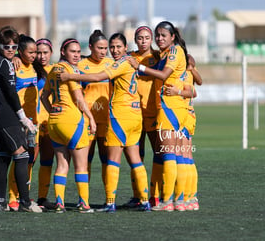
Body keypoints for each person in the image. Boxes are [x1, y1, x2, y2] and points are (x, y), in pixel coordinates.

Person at [58, 33, 151, 213]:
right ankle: (144, 200)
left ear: (125, 47)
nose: (112, 50)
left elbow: (96, 77)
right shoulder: (129, 60)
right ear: (91, 47)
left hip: (119, 115)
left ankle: (109, 202)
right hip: (130, 114)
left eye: (117, 47)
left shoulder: (118, 63)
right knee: (134, 159)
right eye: (111, 47)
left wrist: (70, 77)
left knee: (111, 160)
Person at [127, 21, 189, 212]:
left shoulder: (171, 52)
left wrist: (140, 67)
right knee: (173, 156)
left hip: (168, 109)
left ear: (172, 37)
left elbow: (164, 75)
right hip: (163, 108)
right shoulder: (165, 53)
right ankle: (176, 200)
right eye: (158, 35)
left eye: (163, 35)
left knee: (169, 155)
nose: (160, 39)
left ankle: (169, 201)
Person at [0, 25, 41, 213]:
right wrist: (23, 117)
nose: (10, 50)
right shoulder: (5, 64)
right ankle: (24, 202)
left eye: (14, 47)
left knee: (3, 158)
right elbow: (11, 92)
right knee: (23, 155)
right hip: (6, 118)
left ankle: (1, 202)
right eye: (6, 47)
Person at [41, 38, 97, 213]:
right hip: (72, 121)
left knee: (62, 165)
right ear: (63, 52)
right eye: (73, 51)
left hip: (55, 122)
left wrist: (53, 113)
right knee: (81, 166)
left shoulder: (53, 70)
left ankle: (59, 203)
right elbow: (79, 99)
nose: (77, 55)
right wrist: (91, 118)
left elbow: (44, 97)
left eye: (78, 52)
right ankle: (84, 204)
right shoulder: (70, 70)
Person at [123, 25, 161, 208]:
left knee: (158, 154)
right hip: (134, 113)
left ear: (151, 38)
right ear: (135, 39)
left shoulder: (158, 56)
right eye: (140, 37)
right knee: (137, 156)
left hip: (153, 111)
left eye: (147, 37)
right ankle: (138, 195)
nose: (143, 40)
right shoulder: (129, 57)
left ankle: (156, 194)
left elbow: (187, 58)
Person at [164, 53, 202, 211]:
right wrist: (192, 68)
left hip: (182, 114)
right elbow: (200, 81)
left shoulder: (180, 68)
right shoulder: (188, 63)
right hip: (190, 114)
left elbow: (194, 91)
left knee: (179, 156)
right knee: (187, 156)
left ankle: (182, 199)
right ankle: (190, 198)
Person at [77, 30, 113, 186]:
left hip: (106, 119)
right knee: (86, 159)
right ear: (90, 47)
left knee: (107, 159)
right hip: (87, 119)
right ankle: (83, 200)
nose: (103, 51)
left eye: (105, 48)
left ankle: (108, 199)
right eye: (100, 48)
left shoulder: (112, 64)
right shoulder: (80, 65)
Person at [34, 38, 56, 209]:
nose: (42, 56)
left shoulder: (56, 70)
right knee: (28, 161)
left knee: (47, 161)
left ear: (51, 53)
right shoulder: (29, 69)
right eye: (38, 53)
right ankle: (18, 197)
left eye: (45, 53)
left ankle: (42, 198)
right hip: (32, 122)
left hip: (49, 122)